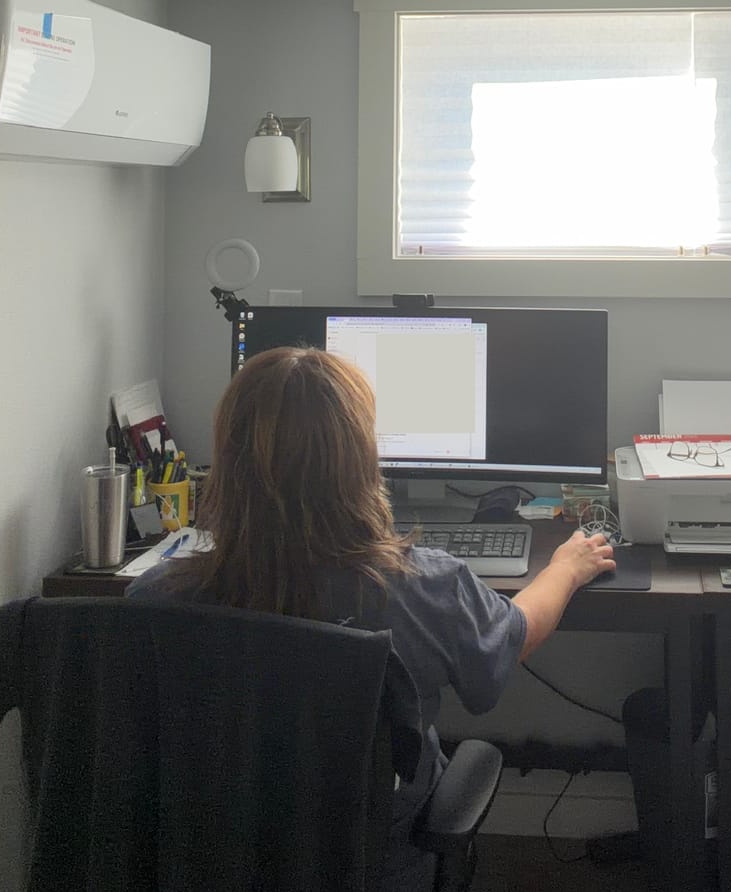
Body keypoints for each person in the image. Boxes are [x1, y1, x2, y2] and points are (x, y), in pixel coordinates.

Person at [132, 345, 615, 890]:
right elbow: (514, 636)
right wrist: (567, 569)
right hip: (369, 861)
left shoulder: (153, 601)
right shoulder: (422, 586)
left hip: (203, 858)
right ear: (361, 458)